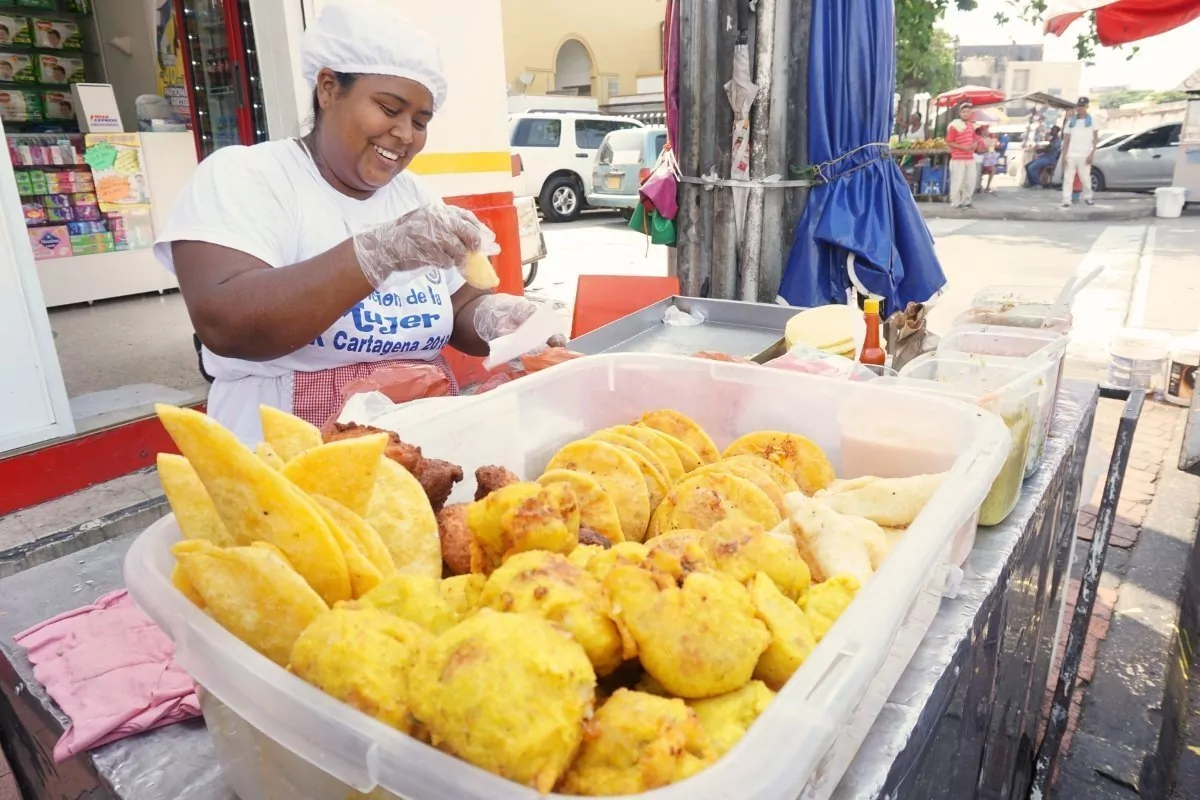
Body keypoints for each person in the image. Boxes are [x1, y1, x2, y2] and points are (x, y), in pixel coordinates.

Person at [155, 1, 557, 444]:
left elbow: (458, 306)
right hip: (286, 450)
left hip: (419, 443)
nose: (405, 133)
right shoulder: (247, 176)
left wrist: (499, 320)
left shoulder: (415, 196)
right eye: (388, 108)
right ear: (328, 88)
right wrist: (376, 254)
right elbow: (225, 324)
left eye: (420, 121)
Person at [1060, 96, 1098, 208]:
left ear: (1087, 106)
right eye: (1079, 106)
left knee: (1085, 178)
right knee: (1068, 179)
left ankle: (1088, 197)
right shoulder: (1071, 122)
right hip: (1071, 154)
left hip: (1084, 154)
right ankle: (1066, 200)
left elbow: (1096, 139)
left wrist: (1092, 154)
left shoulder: (1092, 121)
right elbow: (1066, 139)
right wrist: (1064, 155)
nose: (1080, 108)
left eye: (1082, 106)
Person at [945, 102, 978, 209]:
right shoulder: (954, 126)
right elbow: (948, 142)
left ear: (970, 113)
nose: (965, 113)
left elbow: (974, 139)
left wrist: (974, 144)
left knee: (970, 181)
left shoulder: (971, 126)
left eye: (967, 112)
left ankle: (966, 201)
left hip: (970, 158)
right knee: (957, 181)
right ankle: (955, 202)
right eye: (963, 112)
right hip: (958, 158)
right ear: (960, 113)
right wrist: (963, 147)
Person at [977, 125, 999, 193]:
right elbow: (979, 150)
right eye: (986, 130)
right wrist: (987, 149)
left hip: (991, 159)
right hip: (982, 158)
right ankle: (978, 186)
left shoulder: (990, 138)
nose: (988, 131)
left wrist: (994, 145)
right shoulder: (979, 139)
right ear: (982, 131)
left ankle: (988, 186)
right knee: (980, 172)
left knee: (992, 170)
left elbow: (994, 147)